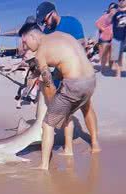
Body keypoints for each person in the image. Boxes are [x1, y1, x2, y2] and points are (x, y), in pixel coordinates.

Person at [19, 19, 99, 170]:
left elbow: (49, 87)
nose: (25, 46)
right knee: (84, 108)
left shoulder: (40, 53)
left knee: (48, 123)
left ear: (33, 37)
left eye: (25, 42)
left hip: (74, 84)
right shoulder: (61, 35)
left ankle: (43, 166)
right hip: (91, 80)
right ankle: (92, 146)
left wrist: (53, 109)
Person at [36, 1, 101, 155]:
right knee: (64, 110)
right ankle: (67, 148)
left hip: (77, 74)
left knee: (86, 106)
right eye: (43, 22)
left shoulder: (72, 23)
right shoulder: (46, 31)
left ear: (53, 13)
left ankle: (94, 142)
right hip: (58, 74)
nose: (45, 24)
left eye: (45, 19)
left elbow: (81, 48)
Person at [96, 3, 118, 70]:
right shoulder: (105, 16)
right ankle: (103, 68)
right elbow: (97, 23)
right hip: (105, 38)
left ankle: (110, 68)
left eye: (115, 8)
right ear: (109, 9)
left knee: (112, 54)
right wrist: (103, 29)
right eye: (111, 8)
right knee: (104, 53)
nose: (113, 10)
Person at [111, 0, 126, 78]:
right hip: (117, 36)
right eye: (119, 0)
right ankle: (118, 72)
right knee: (117, 56)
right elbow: (111, 25)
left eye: (123, 0)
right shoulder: (116, 13)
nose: (121, 1)